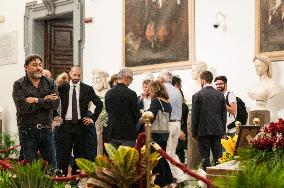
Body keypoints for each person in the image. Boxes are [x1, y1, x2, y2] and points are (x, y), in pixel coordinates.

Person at [12, 54, 59, 167]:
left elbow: (55, 104)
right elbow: (23, 108)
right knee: (30, 168)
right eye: (34, 65)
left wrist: (36, 100)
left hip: (46, 129)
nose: (38, 67)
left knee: (51, 166)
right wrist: (45, 100)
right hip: (27, 130)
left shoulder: (50, 83)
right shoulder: (19, 84)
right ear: (26, 67)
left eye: (40, 65)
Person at [56, 65, 103, 175]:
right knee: (65, 152)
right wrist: (55, 114)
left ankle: (75, 178)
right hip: (66, 125)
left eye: (79, 75)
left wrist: (92, 118)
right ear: (70, 73)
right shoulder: (63, 88)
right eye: (74, 74)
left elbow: (99, 104)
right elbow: (53, 101)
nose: (76, 77)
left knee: (79, 152)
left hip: (80, 125)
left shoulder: (87, 89)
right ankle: (62, 176)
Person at [191, 71, 227, 171]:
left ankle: (207, 181)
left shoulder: (197, 95)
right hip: (217, 130)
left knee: (205, 158)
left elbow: (195, 117)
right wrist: (223, 131)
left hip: (203, 131)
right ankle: (219, 178)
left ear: (202, 80)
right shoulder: (220, 95)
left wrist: (193, 133)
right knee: (218, 157)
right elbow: (223, 116)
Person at [158, 70, 188, 183]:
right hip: (177, 123)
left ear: (162, 79)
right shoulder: (177, 90)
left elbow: (162, 108)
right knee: (172, 152)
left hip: (168, 123)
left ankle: (176, 178)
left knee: (168, 153)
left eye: (159, 77)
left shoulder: (162, 90)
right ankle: (178, 176)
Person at [146, 80, 174, 187]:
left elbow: (151, 115)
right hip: (164, 133)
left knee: (156, 159)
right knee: (162, 157)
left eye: (150, 89)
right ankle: (168, 179)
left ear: (154, 89)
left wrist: (143, 116)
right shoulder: (167, 102)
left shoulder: (156, 100)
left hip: (155, 134)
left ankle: (160, 182)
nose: (149, 91)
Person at [105, 68, 140, 148]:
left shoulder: (108, 93)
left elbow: (108, 111)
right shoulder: (131, 94)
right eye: (131, 79)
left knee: (114, 159)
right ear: (126, 77)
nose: (131, 82)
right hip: (127, 134)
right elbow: (136, 115)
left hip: (112, 132)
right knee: (128, 159)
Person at [172, 75, 189, 163]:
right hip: (173, 131)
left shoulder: (182, 104)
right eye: (179, 86)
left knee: (179, 154)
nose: (180, 88)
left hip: (180, 131)